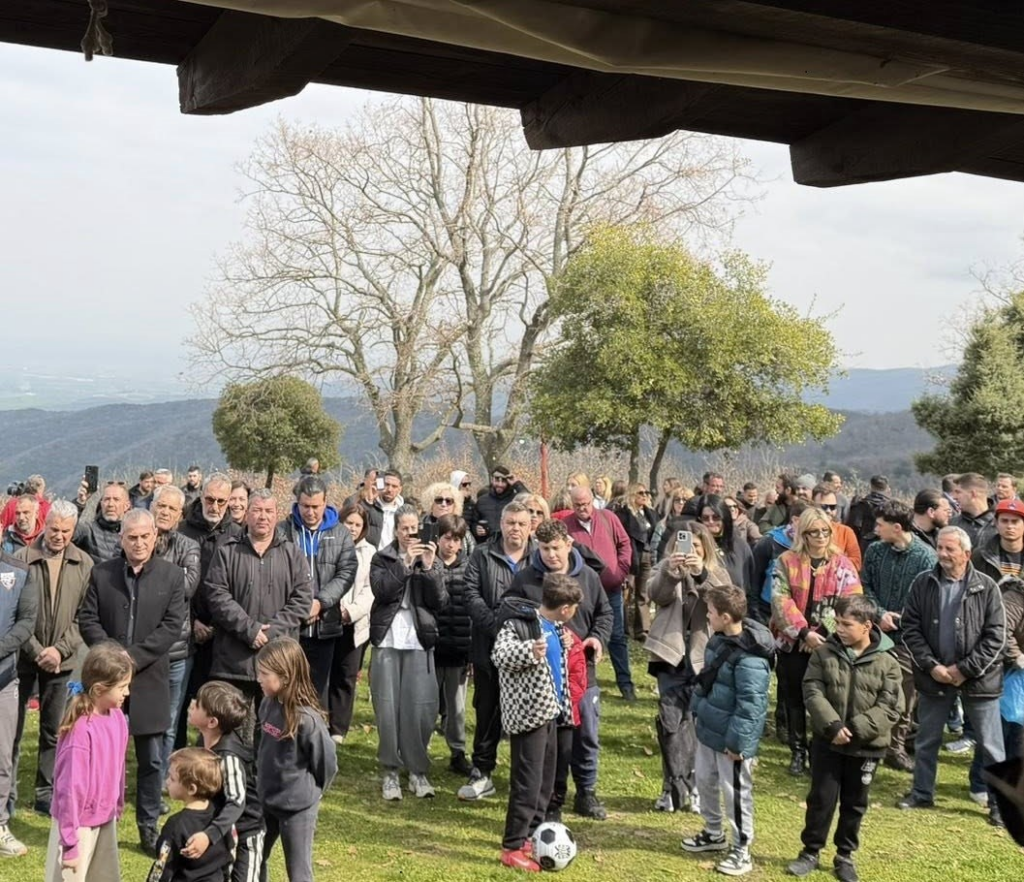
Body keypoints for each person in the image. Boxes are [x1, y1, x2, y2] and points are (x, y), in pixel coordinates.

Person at [77, 508, 186, 856]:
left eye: (145, 537)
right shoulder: (102, 574)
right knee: (102, 758)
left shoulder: (172, 576)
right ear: (121, 538)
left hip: (149, 678)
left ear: (155, 536)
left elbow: (172, 626)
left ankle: (148, 827)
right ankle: (95, 821)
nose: (139, 543)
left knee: (151, 761)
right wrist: (112, 657)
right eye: (132, 537)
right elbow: (88, 619)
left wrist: (133, 658)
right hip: (107, 683)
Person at [786, 595, 903, 882]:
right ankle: (810, 851)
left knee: (855, 803)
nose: (839, 628)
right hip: (828, 743)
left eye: (846, 624)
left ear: (867, 626)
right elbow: (812, 690)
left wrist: (856, 729)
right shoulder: (823, 654)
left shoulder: (888, 662)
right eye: (837, 622)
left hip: (866, 748)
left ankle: (845, 855)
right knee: (821, 799)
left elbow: (891, 705)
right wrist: (833, 726)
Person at [898, 526, 1006, 826]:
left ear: (966, 553)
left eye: (950, 549)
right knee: (926, 740)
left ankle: (999, 806)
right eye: (940, 548)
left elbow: (996, 637)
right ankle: (921, 793)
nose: (943, 554)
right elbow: (911, 627)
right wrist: (932, 666)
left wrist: (964, 669)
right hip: (934, 677)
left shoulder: (988, 587)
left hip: (979, 680)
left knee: (992, 746)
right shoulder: (923, 583)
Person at [507, 517, 612, 821]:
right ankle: (551, 801)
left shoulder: (588, 577)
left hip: (582, 671)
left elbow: (605, 613)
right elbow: (509, 612)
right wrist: (539, 633)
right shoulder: (525, 579)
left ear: (568, 544)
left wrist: (596, 638)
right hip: (544, 675)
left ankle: (586, 791)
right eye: (544, 548)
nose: (551, 554)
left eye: (555, 548)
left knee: (586, 735)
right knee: (552, 741)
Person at [204, 490, 313, 741]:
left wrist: (270, 633)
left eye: (268, 511)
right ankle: (236, 767)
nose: (263, 516)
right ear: (246, 514)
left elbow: (302, 599)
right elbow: (217, 595)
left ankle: (267, 767)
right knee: (233, 731)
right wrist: (249, 630)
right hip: (235, 661)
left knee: (273, 731)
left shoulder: (292, 554)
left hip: (278, 662)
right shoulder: (227, 551)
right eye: (257, 510)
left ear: (277, 515)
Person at [492, 574, 583, 872]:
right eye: (574, 608)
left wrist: (565, 645)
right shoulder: (520, 625)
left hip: (551, 715)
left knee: (545, 782)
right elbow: (499, 655)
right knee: (527, 783)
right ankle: (512, 846)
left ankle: (531, 835)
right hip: (528, 717)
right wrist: (528, 651)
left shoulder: (557, 628)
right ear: (565, 608)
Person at [682, 585, 773, 878]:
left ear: (724, 617)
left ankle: (741, 847)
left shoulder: (752, 660)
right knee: (705, 781)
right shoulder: (718, 640)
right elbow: (707, 680)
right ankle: (713, 832)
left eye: (710, 612)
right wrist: (697, 709)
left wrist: (738, 744)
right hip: (709, 730)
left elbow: (751, 707)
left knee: (735, 792)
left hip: (731, 741)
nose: (707, 617)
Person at [11, 500, 93, 818]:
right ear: (44, 524)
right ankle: (7, 790)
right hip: (23, 657)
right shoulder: (21, 559)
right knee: (12, 727)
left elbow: (85, 615)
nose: (59, 536)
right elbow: (12, 611)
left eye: (66, 531)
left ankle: (45, 791)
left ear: (74, 530)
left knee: (53, 728)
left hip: (62, 661)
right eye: (54, 529)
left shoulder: (84, 564)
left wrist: (59, 650)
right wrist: (35, 650)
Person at [771, 507, 862, 777]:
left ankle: (819, 750)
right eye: (814, 532)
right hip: (793, 642)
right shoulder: (786, 561)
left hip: (829, 643)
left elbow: (851, 600)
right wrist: (803, 633)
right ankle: (797, 751)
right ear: (804, 534)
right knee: (794, 697)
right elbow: (780, 599)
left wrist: (821, 633)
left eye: (825, 531)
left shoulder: (842, 564)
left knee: (825, 699)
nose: (821, 537)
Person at [369, 504, 448, 800]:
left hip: (418, 638)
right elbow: (382, 591)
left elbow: (440, 601)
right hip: (388, 639)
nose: (410, 534)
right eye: (405, 529)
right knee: (388, 707)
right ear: (396, 530)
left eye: (415, 529)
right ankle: (390, 770)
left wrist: (427, 567)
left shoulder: (432, 559)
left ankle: (417, 770)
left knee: (420, 707)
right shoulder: (383, 558)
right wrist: (404, 563)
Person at [647, 523, 725, 814]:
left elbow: (725, 600)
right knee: (670, 723)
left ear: (705, 549)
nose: (689, 551)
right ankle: (671, 786)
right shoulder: (664, 568)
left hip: (704, 656)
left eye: (696, 547)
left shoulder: (716, 572)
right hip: (670, 655)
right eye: (685, 545)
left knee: (696, 724)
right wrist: (672, 571)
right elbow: (657, 595)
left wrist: (701, 573)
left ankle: (694, 786)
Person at [460, 502, 535, 803]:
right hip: (488, 646)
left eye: (521, 523)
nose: (515, 528)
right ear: (501, 524)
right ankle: (482, 770)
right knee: (487, 710)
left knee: (527, 713)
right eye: (510, 522)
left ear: (530, 527)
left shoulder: (538, 557)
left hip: (528, 649)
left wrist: (522, 630)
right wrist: (495, 626)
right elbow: (470, 593)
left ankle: (524, 775)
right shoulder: (482, 554)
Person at [860, 500, 937, 773]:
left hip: (908, 638)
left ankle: (895, 748)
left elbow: (929, 600)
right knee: (868, 690)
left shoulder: (926, 557)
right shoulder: (875, 551)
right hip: (873, 631)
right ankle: (868, 742)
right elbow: (865, 585)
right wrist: (880, 614)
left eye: (880, 525)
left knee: (903, 695)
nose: (875, 529)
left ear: (896, 527)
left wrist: (901, 619)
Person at [45, 642, 132, 882]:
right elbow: (70, 789)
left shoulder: (117, 718)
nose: (127, 692)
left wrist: (117, 804)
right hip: (76, 826)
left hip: (105, 818)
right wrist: (70, 844)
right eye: (122, 687)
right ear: (100, 688)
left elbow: (118, 765)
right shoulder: (80, 731)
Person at [256, 638, 337, 882]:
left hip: (297, 808)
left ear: (285, 677)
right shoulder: (267, 704)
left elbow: (327, 764)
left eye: (264, 674)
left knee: (298, 871)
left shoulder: (307, 721)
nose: (258, 678)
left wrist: (314, 793)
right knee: (255, 859)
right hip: (267, 801)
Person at [277, 475, 358, 710]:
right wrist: (300, 606)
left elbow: (346, 572)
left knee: (316, 693)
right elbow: (277, 573)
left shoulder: (340, 533)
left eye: (315, 506)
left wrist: (320, 603)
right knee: (286, 691)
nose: (310, 512)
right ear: (297, 502)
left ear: (325, 503)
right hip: (291, 626)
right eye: (305, 506)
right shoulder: (283, 531)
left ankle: (313, 732)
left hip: (325, 626)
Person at [177, 473, 244, 749]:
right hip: (186, 628)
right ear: (201, 497)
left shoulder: (238, 535)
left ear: (229, 502)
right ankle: (178, 756)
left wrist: (218, 624)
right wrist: (192, 621)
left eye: (220, 501)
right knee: (182, 701)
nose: (214, 506)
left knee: (218, 702)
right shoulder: (182, 531)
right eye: (209, 499)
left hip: (222, 633)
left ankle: (212, 754)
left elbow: (238, 587)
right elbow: (173, 583)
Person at [187, 681, 264, 882]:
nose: (192, 704)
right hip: (224, 831)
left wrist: (209, 835)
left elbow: (236, 802)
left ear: (212, 722)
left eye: (198, 704)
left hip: (246, 833)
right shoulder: (203, 745)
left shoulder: (229, 757)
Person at [151, 484, 202, 784]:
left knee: (169, 722)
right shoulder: (139, 538)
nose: (165, 512)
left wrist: (153, 579)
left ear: (180, 514)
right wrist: (171, 576)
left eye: (172, 508)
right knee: (133, 719)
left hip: (177, 648)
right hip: (142, 646)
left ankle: (161, 782)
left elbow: (187, 587)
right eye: (161, 506)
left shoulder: (188, 546)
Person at [563, 485, 633, 702]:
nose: (582, 508)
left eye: (586, 504)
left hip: (611, 587)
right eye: (577, 505)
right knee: (583, 636)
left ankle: (626, 684)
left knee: (617, 636)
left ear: (592, 500)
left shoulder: (608, 518)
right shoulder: (566, 525)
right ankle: (583, 682)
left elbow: (625, 544)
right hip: (582, 591)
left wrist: (620, 571)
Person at [327, 505, 374, 744]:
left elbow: (369, 590)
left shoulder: (370, 552)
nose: (353, 528)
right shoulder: (329, 544)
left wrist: (350, 612)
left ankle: (338, 727)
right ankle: (320, 719)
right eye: (349, 523)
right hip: (328, 618)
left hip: (354, 624)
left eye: (357, 525)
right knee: (325, 672)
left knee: (346, 675)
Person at [149, 748, 231, 882]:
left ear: (191, 789)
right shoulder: (220, 816)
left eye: (172, 778)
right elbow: (228, 854)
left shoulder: (175, 825)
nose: (167, 781)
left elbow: (162, 866)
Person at [0, 543, 34, 857]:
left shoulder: (19, 571)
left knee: (2, 757)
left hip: (4, 678)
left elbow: (26, 622)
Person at [432, 514, 473, 775]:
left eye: (456, 540)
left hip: (458, 648)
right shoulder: (428, 564)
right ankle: (418, 748)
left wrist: (471, 651)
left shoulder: (469, 568)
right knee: (426, 704)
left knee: (457, 706)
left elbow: (473, 611)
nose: (451, 544)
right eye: (447, 538)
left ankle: (457, 751)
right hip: (432, 647)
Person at [615, 483, 657, 641]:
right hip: (631, 556)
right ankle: (623, 628)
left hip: (647, 555)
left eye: (646, 492)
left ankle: (643, 629)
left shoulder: (650, 514)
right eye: (641, 492)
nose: (645, 495)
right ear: (632, 494)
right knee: (627, 592)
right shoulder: (624, 514)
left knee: (643, 593)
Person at [696, 495, 753, 593]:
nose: (711, 521)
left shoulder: (740, 545)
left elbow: (750, 583)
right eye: (705, 518)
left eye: (716, 517)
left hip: (737, 600)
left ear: (724, 517)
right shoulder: (696, 545)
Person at [73, 481, 131, 563]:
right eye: (107, 499)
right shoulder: (89, 530)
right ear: (101, 503)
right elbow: (66, 532)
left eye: (116, 499)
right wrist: (79, 503)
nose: (110, 504)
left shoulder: (133, 533)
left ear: (126, 505)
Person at [810, 485, 861, 571]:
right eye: (824, 506)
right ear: (812, 506)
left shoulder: (846, 532)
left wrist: (831, 565)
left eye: (832, 507)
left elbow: (856, 563)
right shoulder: (803, 531)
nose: (828, 511)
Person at [474, 467, 529, 541]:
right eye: (497, 480)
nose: (500, 484)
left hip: (509, 542)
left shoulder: (515, 499)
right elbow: (474, 521)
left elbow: (529, 500)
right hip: (486, 543)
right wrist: (476, 529)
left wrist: (516, 484)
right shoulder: (482, 500)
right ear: (492, 480)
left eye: (503, 481)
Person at [845, 475, 891, 553]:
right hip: (887, 547)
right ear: (887, 488)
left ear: (871, 487)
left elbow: (853, 528)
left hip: (863, 547)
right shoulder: (892, 508)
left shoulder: (860, 505)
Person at [951, 472, 995, 548]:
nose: (954, 497)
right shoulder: (952, 523)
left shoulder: (1001, 523)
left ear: (973, 494)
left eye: (958, 492)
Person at [377, 470, 405, 549]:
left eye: (394, 486)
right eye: (387, 484)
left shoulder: (403, 513)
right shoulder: (369, 507)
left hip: (393, 555)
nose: (389, 489)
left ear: (400, 489)